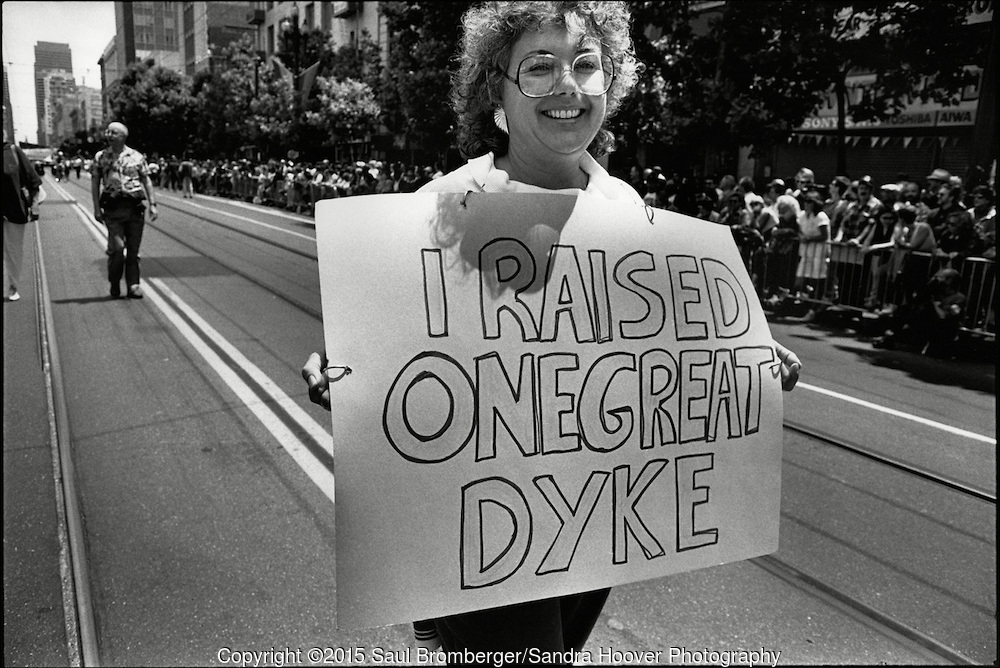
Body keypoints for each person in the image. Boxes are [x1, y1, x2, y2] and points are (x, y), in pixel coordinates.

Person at [301, 0, 801, 657]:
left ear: (609, 86)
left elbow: (656, 350)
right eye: (539, 68)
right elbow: (394, 342)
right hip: (479, 528)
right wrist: (345, 364)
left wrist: (742, 358)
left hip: (587, 519)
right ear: (496, 93)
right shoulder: (443, 206)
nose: (568, 84)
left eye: (587, 65)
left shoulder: (622, 205)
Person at [91, 121, 158, 299]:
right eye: (108, 132)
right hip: (113, 209)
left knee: (133, 252)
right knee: (118, 249)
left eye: (114, 132)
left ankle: (133, 285)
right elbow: (95, 182)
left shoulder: (136, 156)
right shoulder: (101, 156)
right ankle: (114, 281)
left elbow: (146, 180)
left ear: (123, 136)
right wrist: (97, 208)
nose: (109, 135)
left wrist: (152, 204)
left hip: (134, 209)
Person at [3, 115, 43, 302]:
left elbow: (33, 180)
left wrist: (34, 206)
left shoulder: (12, 151)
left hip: (13, 211)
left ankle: (13, 286)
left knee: (13, 251)